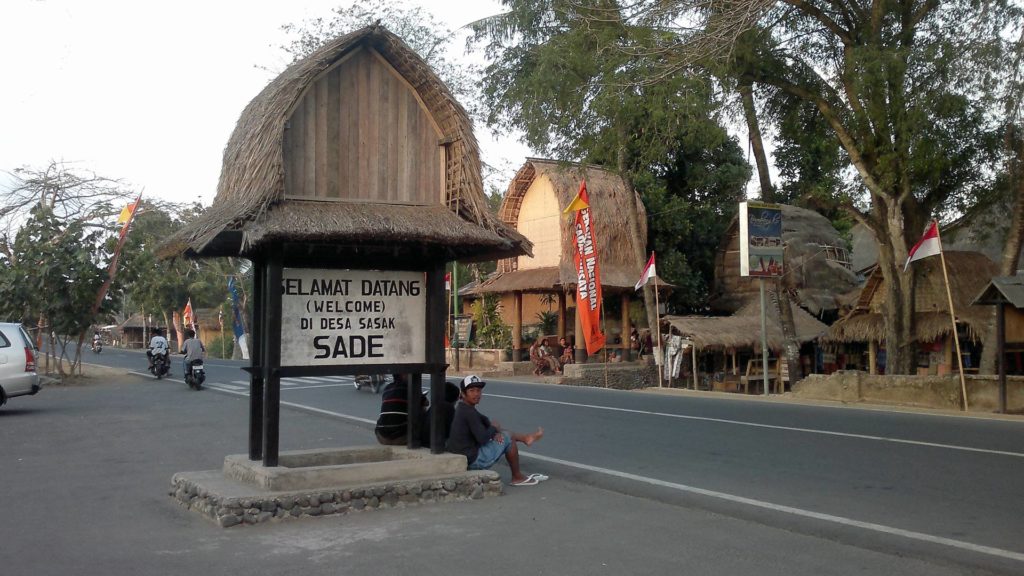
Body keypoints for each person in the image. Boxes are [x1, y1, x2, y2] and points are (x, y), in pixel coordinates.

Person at [447, 375, 545, 485]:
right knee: (508, 438)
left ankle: (526, 438)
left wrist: (494, 431)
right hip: (473, 460)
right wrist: (493, 428)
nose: (476, 394)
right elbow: (483, 438)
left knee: (503, 434)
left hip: (467, 456)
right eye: (472, 391)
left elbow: (483, 419)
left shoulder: (463, 408)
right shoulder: (468, 412)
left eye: (479, 390)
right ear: (463, 394)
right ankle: (517, 477)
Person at [374, 374, 427, 446]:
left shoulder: (387, 387)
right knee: (422, 409)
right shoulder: (411, 387)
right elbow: (426, 403)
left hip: (381, 436)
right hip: (401, 437)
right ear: (403, 375)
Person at [419, 379, 461, 448]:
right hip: (434, 445)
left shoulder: (435, 405)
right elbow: (453, 432)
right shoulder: (448, 408)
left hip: (425, 443)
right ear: (454, 399)